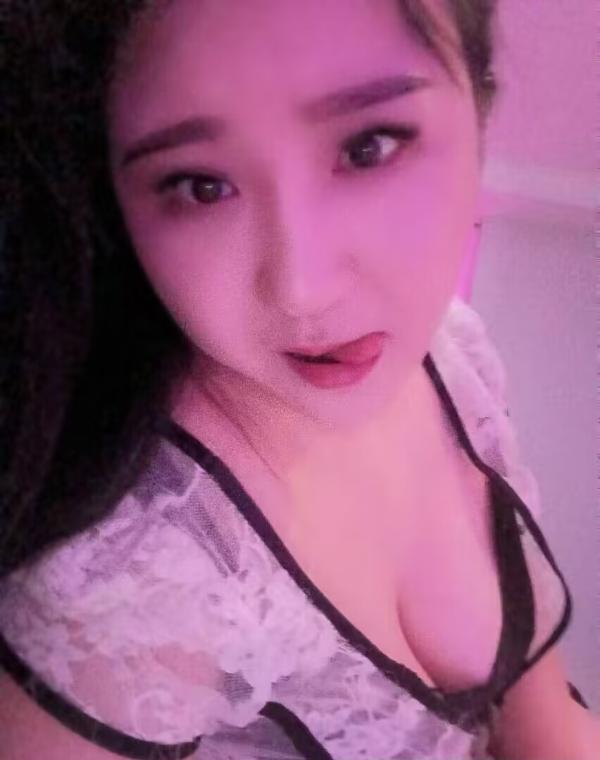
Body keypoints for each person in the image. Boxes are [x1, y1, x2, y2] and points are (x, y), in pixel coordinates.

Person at [0, 1, 597, 758]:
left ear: (478, 109)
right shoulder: (134, 588)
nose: (301, 291)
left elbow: (547, 723)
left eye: (369, 146)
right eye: (200, 186)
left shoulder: (452, 353)